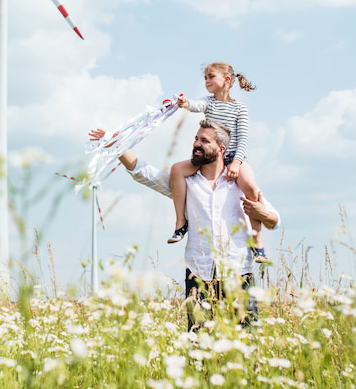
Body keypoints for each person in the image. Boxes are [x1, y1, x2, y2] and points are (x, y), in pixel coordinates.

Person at [89, 120, 281, 329]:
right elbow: (146, 173)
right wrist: (117, 147)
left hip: (238, 270)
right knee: (197, 340)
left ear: (220, 149)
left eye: (204, 141)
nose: (197, 144)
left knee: (247, 337)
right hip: (199, 272)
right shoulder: (185, 183)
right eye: (196, 139)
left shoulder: (239, 182)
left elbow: (274, 220)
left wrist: (263, 214)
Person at [169, 62, 267, 263]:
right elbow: (196, 106)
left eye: (210, 77)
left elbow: (243, 137)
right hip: (210, 156)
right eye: (205, 78)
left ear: (227, 80)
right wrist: (185, 102)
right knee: (177, 170)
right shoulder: (209, 102)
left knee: (250, 185)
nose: (206, 81)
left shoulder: (240, 108)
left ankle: (257, 241)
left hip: (233, 156)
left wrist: (237, 162)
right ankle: (181, 222)